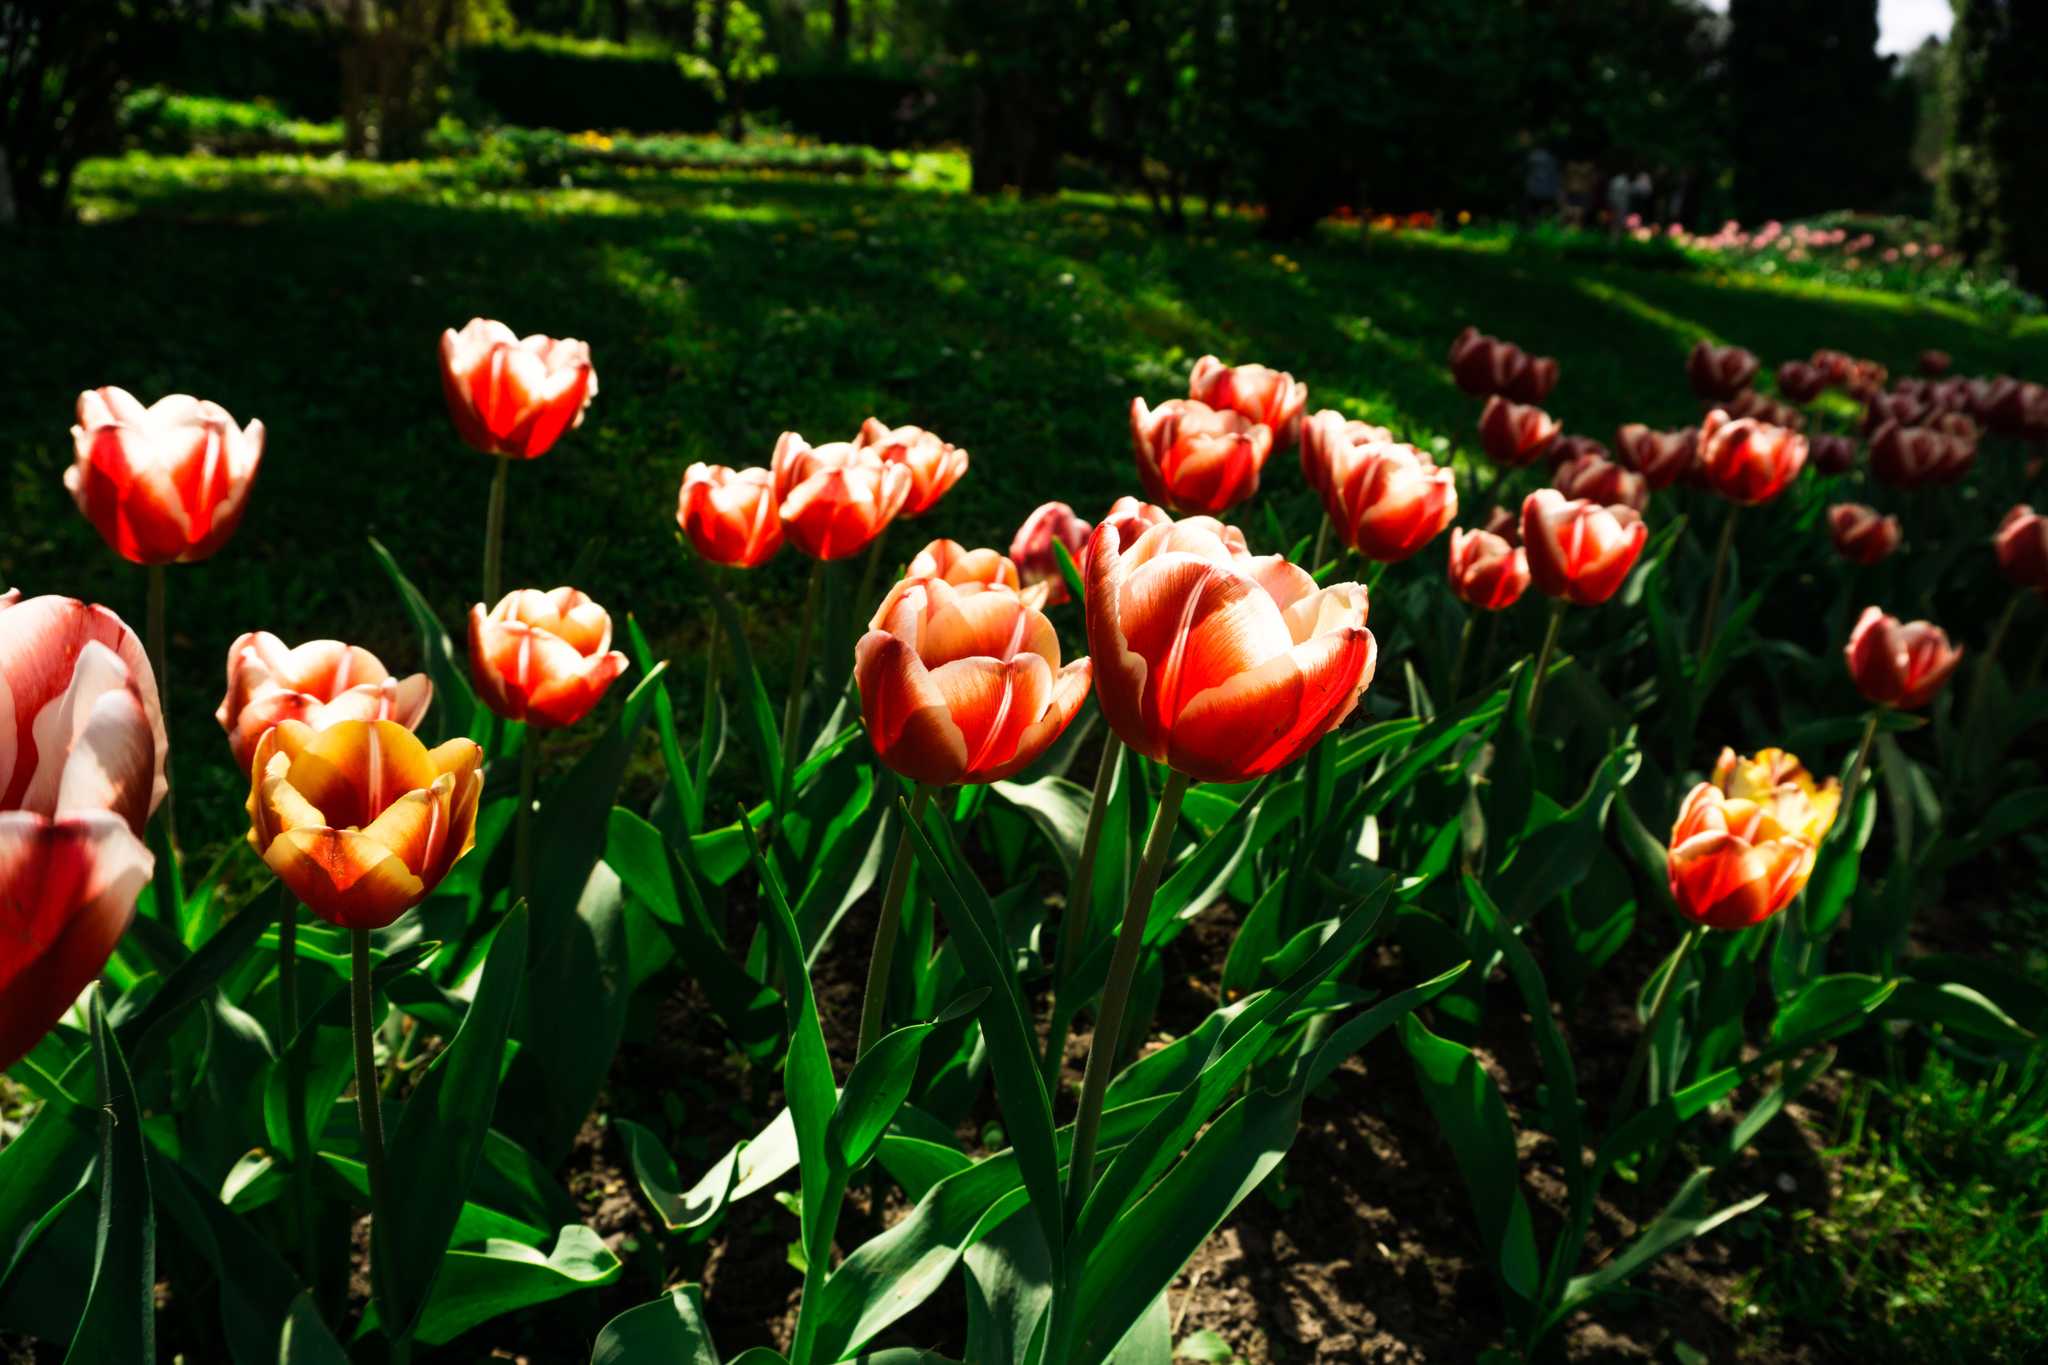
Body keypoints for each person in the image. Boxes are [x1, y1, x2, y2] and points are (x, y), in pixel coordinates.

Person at [1522, 139, 1560, 222]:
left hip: (1535, 189)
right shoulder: (1552, 157)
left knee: (1533, 212)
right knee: (1546, 212)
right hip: (1547, 190)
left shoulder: (1532, 156)